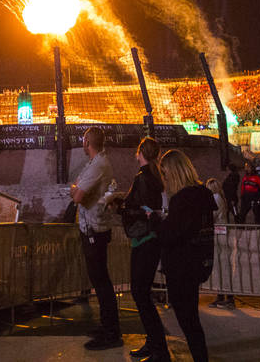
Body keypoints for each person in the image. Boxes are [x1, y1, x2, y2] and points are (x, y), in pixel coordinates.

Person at [146, 150, 214, 362]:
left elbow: (170, 234)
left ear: (173, 174)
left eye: (165, 175)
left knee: (188, 321)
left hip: (181, 266)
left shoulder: (183, 200)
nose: (164, 180)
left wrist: (155, 220)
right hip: (197, 264)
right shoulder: (203, 195)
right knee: (191, 319)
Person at [111, 138, 167, 361]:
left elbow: (141, 209)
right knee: (141, 293)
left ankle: (159, 348)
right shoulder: (155, 177)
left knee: (140, 294)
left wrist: (121, 208)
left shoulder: (143, 178)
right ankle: (153, 343)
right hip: (150, 239)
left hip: (144, 239)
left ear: (140, 153)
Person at [71, 126, 121, 350]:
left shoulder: (98, 165)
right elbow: (78, 188)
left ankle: (111, 332)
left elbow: (78, 195)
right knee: (100, 282)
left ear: (86, 142)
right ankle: (107, 326)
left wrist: (75, 190)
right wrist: (77, 189)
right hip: (92, 227)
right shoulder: (97, 163)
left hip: (94, 229)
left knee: (101, 282)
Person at [205, 177, 235, 309]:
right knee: (222, 266)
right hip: (222, 233)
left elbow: (212, 215)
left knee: (221, 266)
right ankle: (223, 295)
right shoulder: (221, 198)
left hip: (219, 234)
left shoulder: (215, 198)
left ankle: (225, 296)